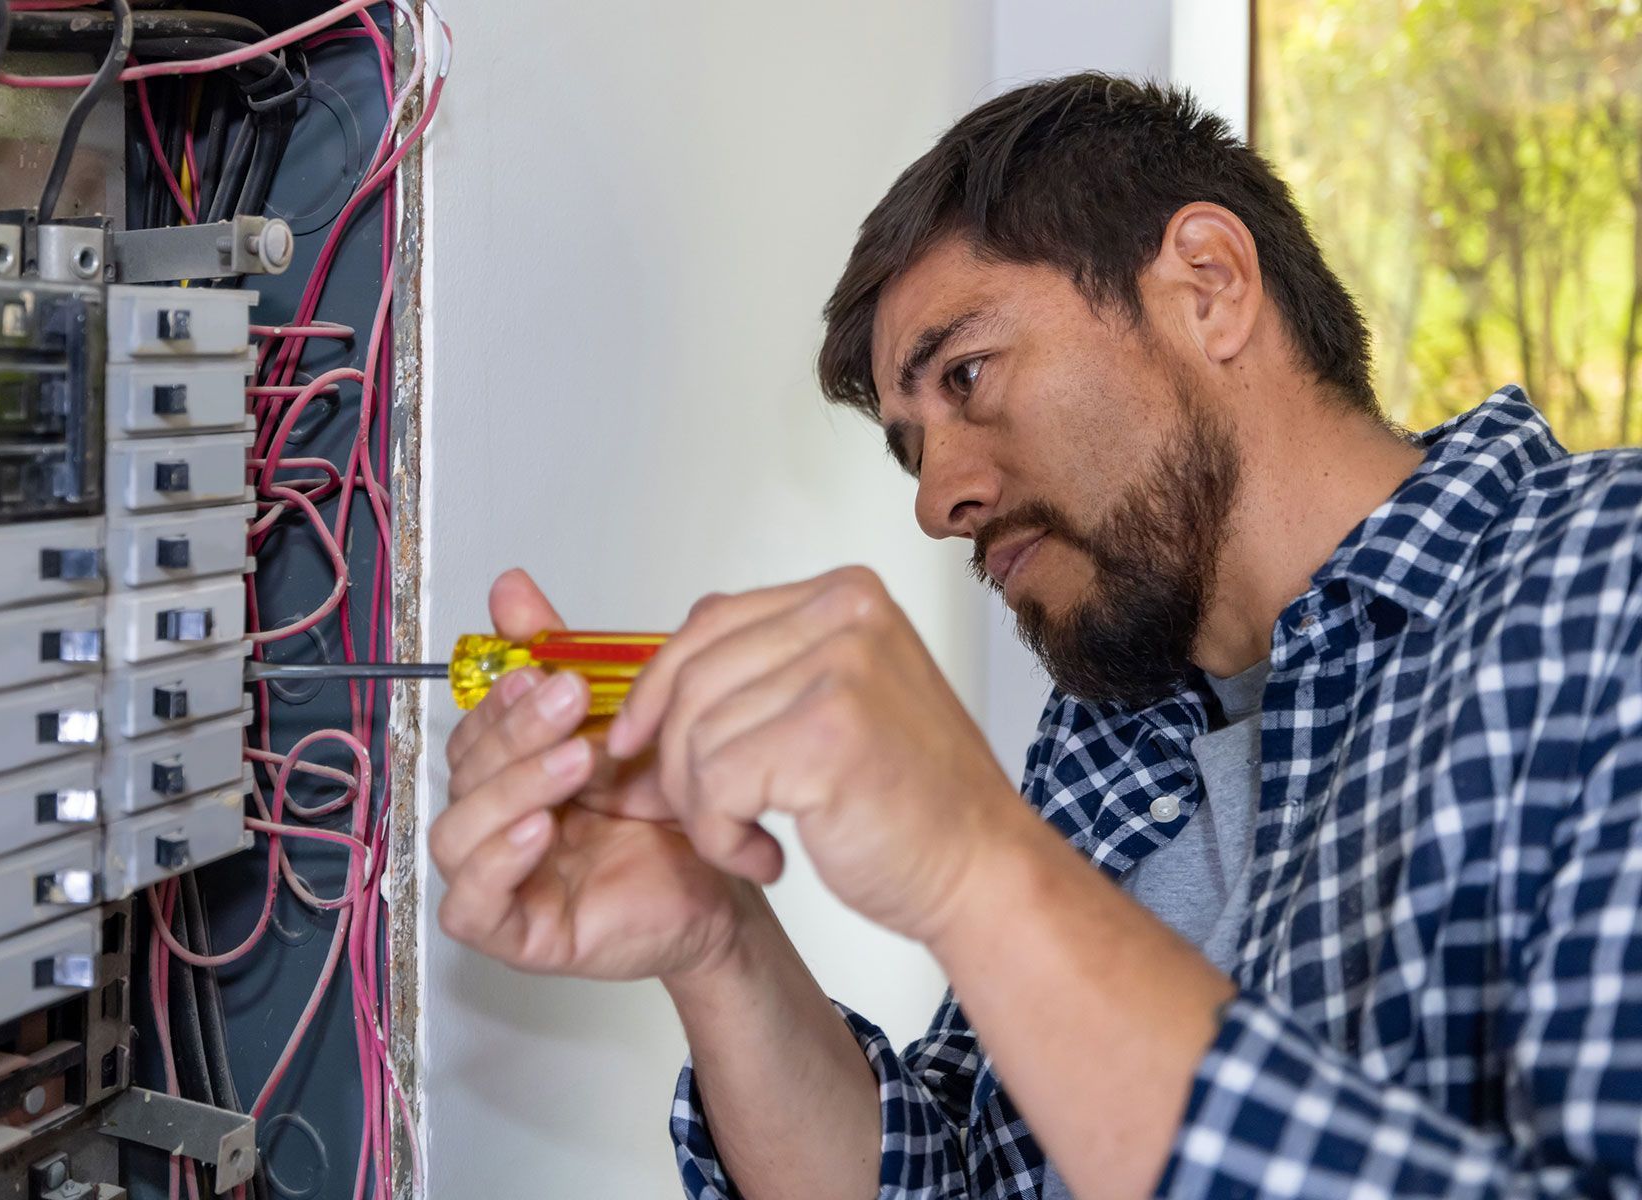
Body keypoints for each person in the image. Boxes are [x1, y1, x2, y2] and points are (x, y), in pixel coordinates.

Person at [427, 72, 1642, 1198]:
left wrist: (974, 866)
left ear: (1209, 286)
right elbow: (947, 1177)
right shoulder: (1110, 730)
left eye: (963, 377)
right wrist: (716, 939)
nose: (933, 497)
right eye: (909, 447)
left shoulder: (1605, 585)